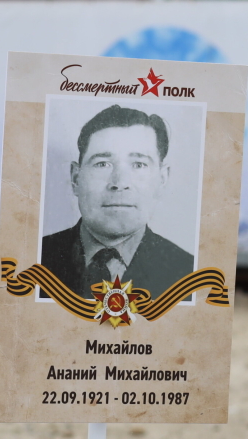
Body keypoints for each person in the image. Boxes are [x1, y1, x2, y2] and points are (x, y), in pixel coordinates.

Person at [41, 104, 194, 300]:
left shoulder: (190, 274)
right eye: (102, 164)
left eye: (139, 164)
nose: (120, 183)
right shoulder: (34, 258)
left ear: (162, 179)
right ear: (76, 178)